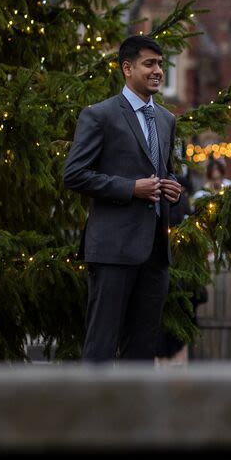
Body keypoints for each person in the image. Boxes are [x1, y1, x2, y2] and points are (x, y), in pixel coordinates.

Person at [64, 35, 188, 362]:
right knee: (101, 347)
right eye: (150, 64)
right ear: (127, 68)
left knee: (144, 349)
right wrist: (130, 188)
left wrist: (171, 187)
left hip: (155, 254)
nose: (158, 70)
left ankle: (137, 413)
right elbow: (74, 174)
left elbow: (166, 170)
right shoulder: (99, 115)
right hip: (113, 251)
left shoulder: (165, 119)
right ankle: (94, 411)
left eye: (161, 64)